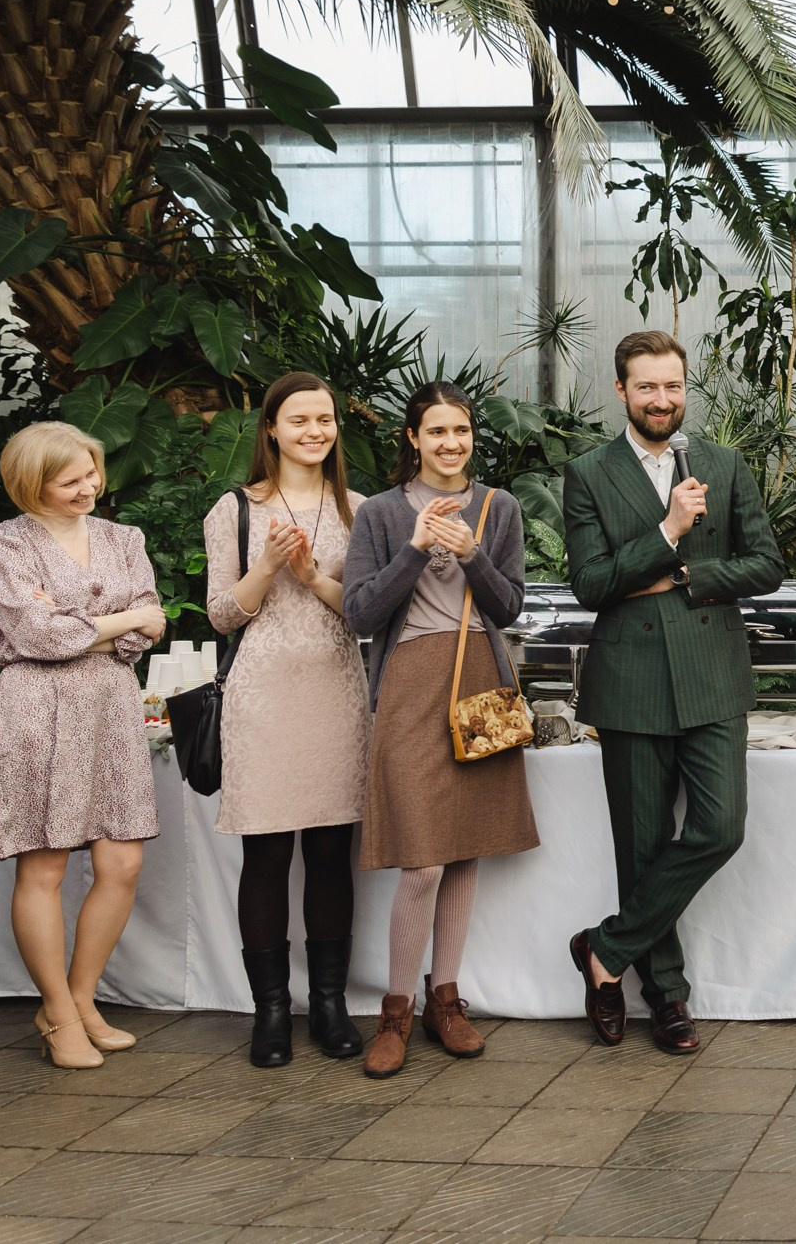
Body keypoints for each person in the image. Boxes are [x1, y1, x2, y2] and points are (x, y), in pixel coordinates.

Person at [564, 330, 784, 1055]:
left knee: (721, 825)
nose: (663, 398)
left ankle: (604, 949)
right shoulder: (588, 472)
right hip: (628, 681)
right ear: (621, 390)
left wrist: (690, 575)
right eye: (647, 386)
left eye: (673, 385)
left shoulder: (723, 463)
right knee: (641, 843)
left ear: (685, 388)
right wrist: (666, 530)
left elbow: (766, 564)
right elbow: (592, 583)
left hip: (713, 674)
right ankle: (668, 997)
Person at [343, 383, 538, 1078]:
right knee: (422, 859)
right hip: (407, 684)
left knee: (464, 851)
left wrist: (475, 554)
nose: (451, 443)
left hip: (480, 677)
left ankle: (444, 1000)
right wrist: (417, 548)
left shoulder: (498, 506)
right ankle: (395, 1009)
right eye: (437, 431)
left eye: (461, 431)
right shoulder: (379, 512)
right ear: (412, 437)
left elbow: (509, 605)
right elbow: (360, 614)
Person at [0, 421, 166, 1069]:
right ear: (33, 484)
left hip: (112, 705)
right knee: (46, 867)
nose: (90, 486)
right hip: (38, 707)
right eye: (71, 480)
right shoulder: (6, 543)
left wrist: (103, 626)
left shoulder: (124, 537)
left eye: (92, 472)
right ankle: (58, 1013)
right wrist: (120, 622)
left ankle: (80, 999)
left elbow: (153, 620)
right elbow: (36, 635)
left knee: (122, 862)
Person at [205, 372, 370, 1068]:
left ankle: (329, 1002)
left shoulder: (360, 509)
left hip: (336, 687)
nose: (314, 430)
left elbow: (366, 612)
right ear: (269, 428)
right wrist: (268, 566)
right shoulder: (234, 510)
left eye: (324, 419)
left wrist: (309, 575)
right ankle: (270, 1010)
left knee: (332, 851)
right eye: (298, 419)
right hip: (263, 692)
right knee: (267, 855)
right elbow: (222, 612)